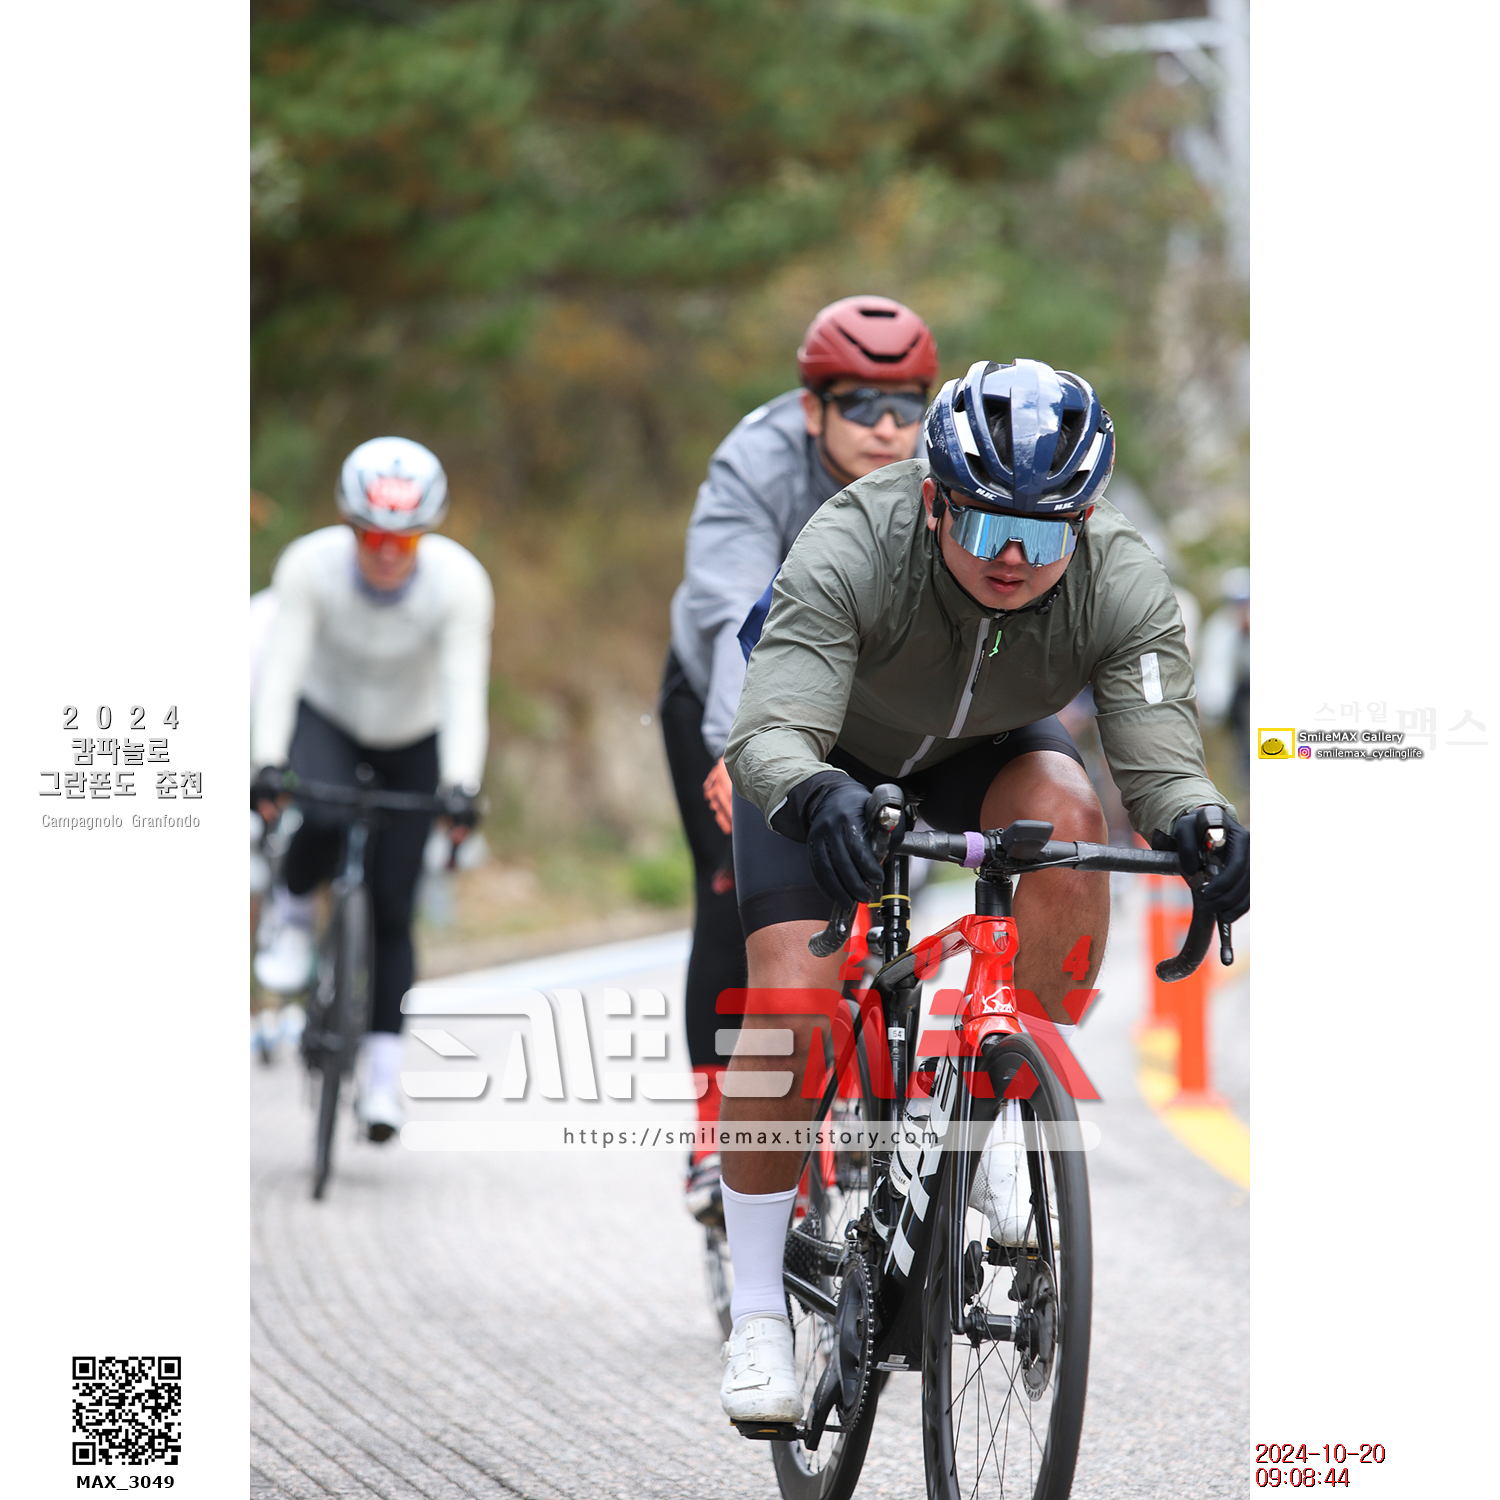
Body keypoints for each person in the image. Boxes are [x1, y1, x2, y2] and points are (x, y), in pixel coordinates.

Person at [715, 358, 1250, 1422]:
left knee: (1072, 812)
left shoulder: (1123, 578)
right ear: (934, 499)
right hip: (831, 756)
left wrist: (1202, 824)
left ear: (1083, 523)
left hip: (987, 750)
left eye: (1044, 535)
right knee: (794, 1010)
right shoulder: (852, 540)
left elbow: (1158, 759)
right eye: (989, 524)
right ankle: (759, 1311)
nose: (1013, 556)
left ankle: (1001, 1105)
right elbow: (768, 733)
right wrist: (816, 794)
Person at [661, 295, 939, 1224]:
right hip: (732, 681)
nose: (887, 427)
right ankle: (716, 1129)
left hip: (875, 691)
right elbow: (730, 619)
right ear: (813, 407)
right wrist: (738, 756)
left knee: (889, 876)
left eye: (906, 404)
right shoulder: (755, 464)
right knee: (733, 887)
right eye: (860, 403)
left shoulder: (945, 467)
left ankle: (873, 1085)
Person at [251, 436, 494, 1140]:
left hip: (413, 733)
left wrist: (461, 785)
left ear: (425, 534)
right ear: (349, 526)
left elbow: (464, 691)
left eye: (404, 539)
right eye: (371, 536)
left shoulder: (460, 583)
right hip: (327, 715)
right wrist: (266, 762)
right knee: (321, 817)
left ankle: (383, 1081)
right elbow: (282, 669)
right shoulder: (309, 566)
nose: (387, 552)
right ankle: (295, 913)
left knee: (393, 904)